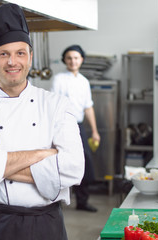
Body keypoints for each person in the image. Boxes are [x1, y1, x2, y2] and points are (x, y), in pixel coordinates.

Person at [0, 3, 84, 240]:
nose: (12, 62)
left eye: (20, 53)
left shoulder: (56, 105)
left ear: (31, 57)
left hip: (46, 223)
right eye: (3, 54)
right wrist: (45, 154)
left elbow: (73, 169)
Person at [51, 45, 101, 212]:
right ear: (65, 60)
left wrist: (94, 131)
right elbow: (54, 104)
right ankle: (55, 201)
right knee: (59, 162)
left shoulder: (84, 81)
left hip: (79, 126)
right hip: (62, 125)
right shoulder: (59, 79)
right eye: (69, 58)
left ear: (82, 60)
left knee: (84, 162)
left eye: (76, 58)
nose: (73, 61)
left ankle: (82, 201)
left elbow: (88, 107)